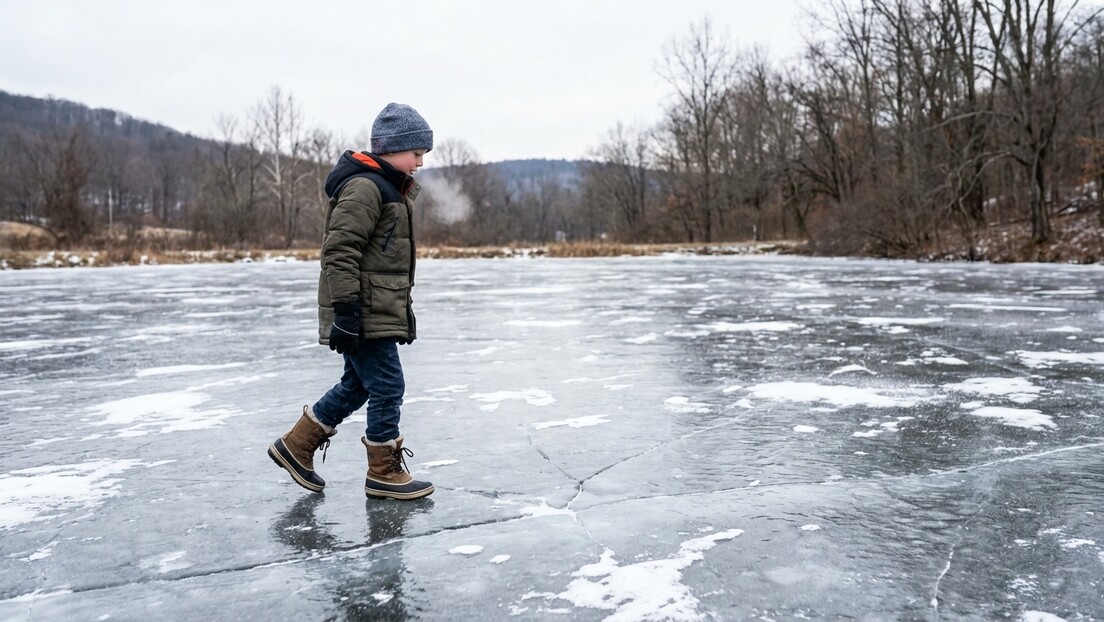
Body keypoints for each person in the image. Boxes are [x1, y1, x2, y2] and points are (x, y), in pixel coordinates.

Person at [268, 103, 434, 500]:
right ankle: (383, 472)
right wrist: (347, 311)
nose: (421, 163)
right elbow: (340, 251)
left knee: (359, 384)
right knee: (388, 385)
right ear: (393, 149)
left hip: (372, 308)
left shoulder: (386, 188)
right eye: (417, 153)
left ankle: (297, 444)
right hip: (361, 311)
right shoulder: (366, 188)